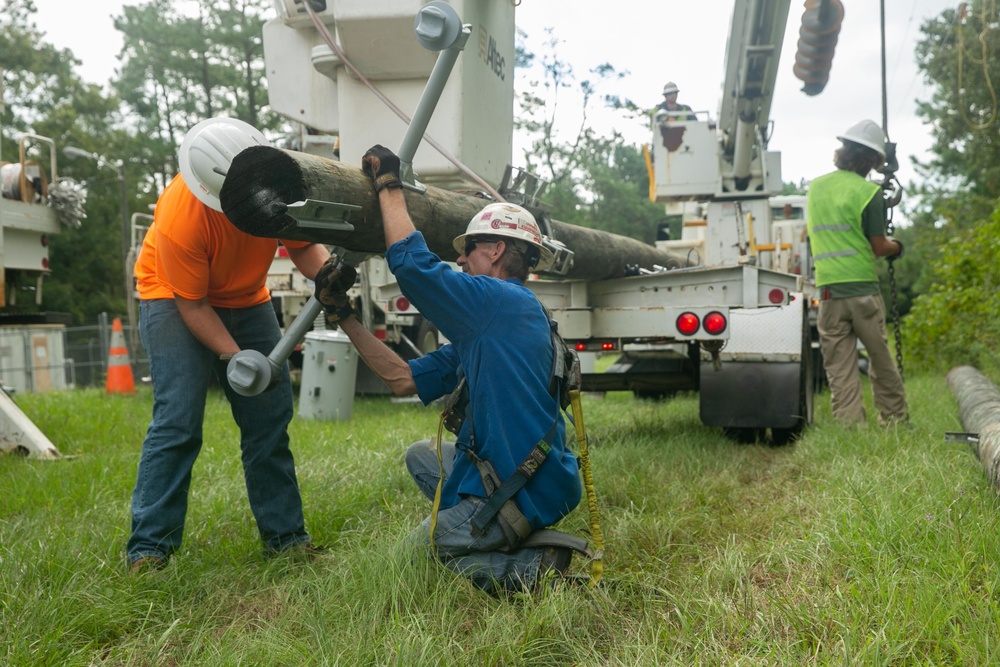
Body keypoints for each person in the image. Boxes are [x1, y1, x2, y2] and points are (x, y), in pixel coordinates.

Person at [313, 145, 582, 595]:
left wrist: (389, 185)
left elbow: (414, 267)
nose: (460, 260)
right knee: (421, 455)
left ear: (495, 250)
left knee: (413, 563)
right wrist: (343, 315)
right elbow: (402, 378)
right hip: (544, 475)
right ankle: (499, 529)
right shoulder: (494, 323)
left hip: (524, 485)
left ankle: (533, 568)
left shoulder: (497, 302)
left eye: (469, 250)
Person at [126, 118, 331, 572]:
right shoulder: (181, 214)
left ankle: (286, 540)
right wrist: (237, 357)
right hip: (174, 298)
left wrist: (329, 275)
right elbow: (195, 308)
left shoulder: (271, 184)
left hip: (247, 296)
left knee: (268, 418)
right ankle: (150, 549)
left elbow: (301, 246)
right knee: (178, 421)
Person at [806, 119, 907, 427]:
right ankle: (894, 420)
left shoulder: (816, 187)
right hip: (862, 289)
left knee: (839, 365)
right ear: (873, 161)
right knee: (880, 357)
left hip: (828, 291)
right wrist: (897, 247)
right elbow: (878, 246)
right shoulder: (869, 193)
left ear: (844, 151)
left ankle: (850, 427)